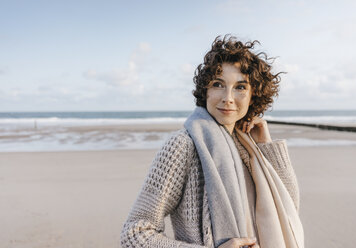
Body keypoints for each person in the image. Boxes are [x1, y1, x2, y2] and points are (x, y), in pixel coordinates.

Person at [120, 35, 304, 248]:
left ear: (253, 95)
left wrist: (265, 146)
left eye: (240, 87)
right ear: (205, 90)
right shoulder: (183, 145)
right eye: (218, 84)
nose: (228, 97)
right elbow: (135, 234)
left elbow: (288, 210)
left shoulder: (247, 145)